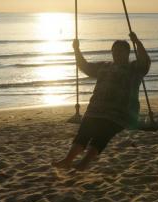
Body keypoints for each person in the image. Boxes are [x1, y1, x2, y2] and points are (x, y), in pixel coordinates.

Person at [53, 32, 151, 171]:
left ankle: (84, 163)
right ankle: (67, 160)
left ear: (127, 53)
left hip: (120, 113)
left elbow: (145, 62)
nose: (117, 54)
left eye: (120, 52)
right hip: (96, 110)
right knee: (84, 132)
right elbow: (84, 66)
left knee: (102, 133)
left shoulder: (134, 68)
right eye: (114, 51)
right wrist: (76, 50)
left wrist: (137, 42)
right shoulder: (104, 66)